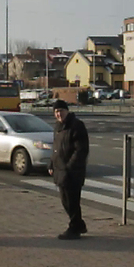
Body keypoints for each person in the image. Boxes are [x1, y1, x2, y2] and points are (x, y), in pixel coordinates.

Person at [48, 99, 89, 240]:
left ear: (67, 111)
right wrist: (51, 164)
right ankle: (79, 224)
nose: (59, 114)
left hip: (73, 171)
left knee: (72, 201)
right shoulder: (58, 127)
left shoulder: (76, 126)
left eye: (61, 111)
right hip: (60, 169)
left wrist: (70, 167)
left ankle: (74, 228)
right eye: (56, 112)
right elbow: (56, 149)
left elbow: (81, 150)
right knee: (65, 201)